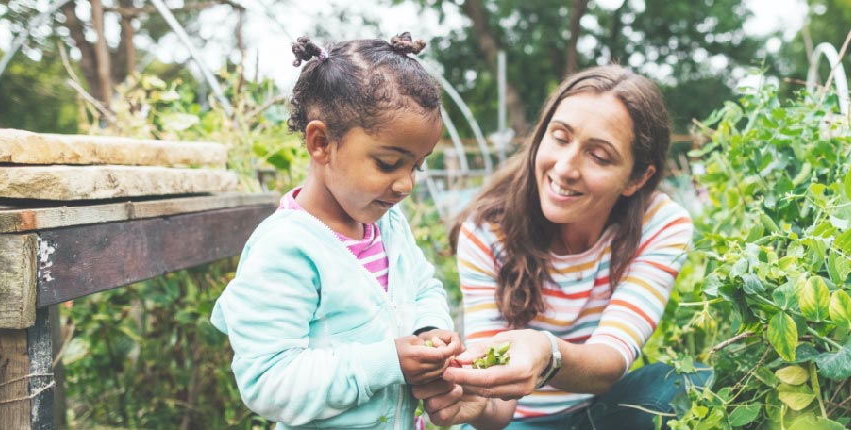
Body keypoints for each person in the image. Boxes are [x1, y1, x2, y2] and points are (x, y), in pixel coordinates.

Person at [415, 65, 712, 430]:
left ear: (637, 178)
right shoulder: (488, 230)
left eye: (599, 156)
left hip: (601, 413)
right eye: (559, 137)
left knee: (685, 383)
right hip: (518, 422)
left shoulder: (661, 224)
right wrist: (474, 395)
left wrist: (547, 354)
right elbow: (496, 409)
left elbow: (611, 359)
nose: (566, 167)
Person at [210, 32, 461, 430]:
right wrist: (388, 362)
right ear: (321, 142)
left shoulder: (388, 225)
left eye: (416, 166)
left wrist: (429, 330)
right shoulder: (285, 249)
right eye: (387, 163)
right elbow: (269, 382)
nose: (406, 185)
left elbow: (422, 286)